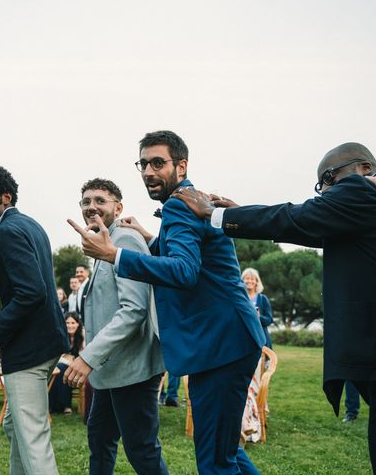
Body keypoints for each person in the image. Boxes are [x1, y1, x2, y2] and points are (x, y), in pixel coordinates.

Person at [172, 142, 376, 474]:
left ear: (363, 168)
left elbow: (297, 216)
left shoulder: (367, 189)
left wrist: (215, 214)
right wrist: (243, 213)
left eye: (326, 180)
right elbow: (308, 226)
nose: (324, 193)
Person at [68, 131, 265, 475]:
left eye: (158, 163)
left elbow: (185, 271)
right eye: (142, 164)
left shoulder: (179, 204)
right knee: (223, 452)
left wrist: (115, 254)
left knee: (215, 461)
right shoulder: (187, 202)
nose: (148, 171)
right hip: (228, 340)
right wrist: (150, 239)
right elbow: (192, 255)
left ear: (181, 165)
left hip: (221, 343)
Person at [0, 164, 68, 475]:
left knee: (32, 436)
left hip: (29, 348)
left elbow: (32, 292)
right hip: (47, 343)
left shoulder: (7, 231)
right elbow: (18, 273)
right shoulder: (27, 224)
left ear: (5, 196)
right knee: (14, 426)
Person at [64, 178, 168, 474]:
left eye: (100, 200)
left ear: (118, 207)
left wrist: (87, 357)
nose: (91, 207)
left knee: (142, 452)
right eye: (86, 201)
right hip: (110, 369)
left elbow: (133, 310)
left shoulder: (123, 240)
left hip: (133, 368)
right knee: (99, 439)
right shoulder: (103, 242)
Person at [49, 312, 84, 414]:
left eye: (73, 323)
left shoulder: (83, 336)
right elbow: (55, 355)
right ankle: (63, 405)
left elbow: (84, 355)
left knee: (61, 368)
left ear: (78, 324)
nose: (70, 325)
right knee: (59, 368)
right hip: (63, 368)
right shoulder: (60, 335)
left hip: (79, 370)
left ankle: (57, 406)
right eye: (67, 323)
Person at [241, 268, 274, 348]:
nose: (250, 281)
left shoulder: (263, 299)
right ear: (242, 281)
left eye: (252, 279)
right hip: (243, 340)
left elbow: (269, 320)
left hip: (261, 339)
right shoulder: (240, 298)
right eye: (247, 278)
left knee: (263, 361)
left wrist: (257, 317)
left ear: (256, 282)